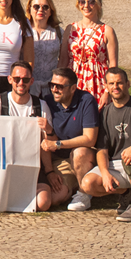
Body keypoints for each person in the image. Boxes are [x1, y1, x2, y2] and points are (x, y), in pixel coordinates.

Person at [78, 68, 131, 222]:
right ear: (106, 86)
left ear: (128, 84)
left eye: (119, 83)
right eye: (111, 83)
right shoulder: (104, 113)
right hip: (117, 165)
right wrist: (104, 173)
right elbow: (102, 150)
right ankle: (126, 193)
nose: (115, 87)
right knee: (87, 184)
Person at [39, 67, 100, 212]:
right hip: (56, 161)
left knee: (79, 153)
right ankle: (74, 188)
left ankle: (85, 193)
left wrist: (58, 144)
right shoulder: (47, 101)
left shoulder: (87, 101)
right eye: (52, 85)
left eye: (60, 87)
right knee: (51, 199)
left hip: (81, 157)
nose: (54, 89)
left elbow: (90, 139)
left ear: (73, 88)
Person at [59, 0, 117, 104]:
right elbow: (63, 60)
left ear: (98, 4)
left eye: (91, 2)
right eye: (82, 2)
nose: (86, 5)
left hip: (97, 82)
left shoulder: (107, 31)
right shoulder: (70, 29)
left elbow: (113, 66)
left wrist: (107, 91)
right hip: (73, 80)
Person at [26, 0, 63, 99]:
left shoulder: (58, 32)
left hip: (51, 87)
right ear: (29, 9)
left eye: (45, 7)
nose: (40, 10)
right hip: (26, 86)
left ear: (51, 11)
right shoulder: (22, 30)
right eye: (36, 7)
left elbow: (64, 59)